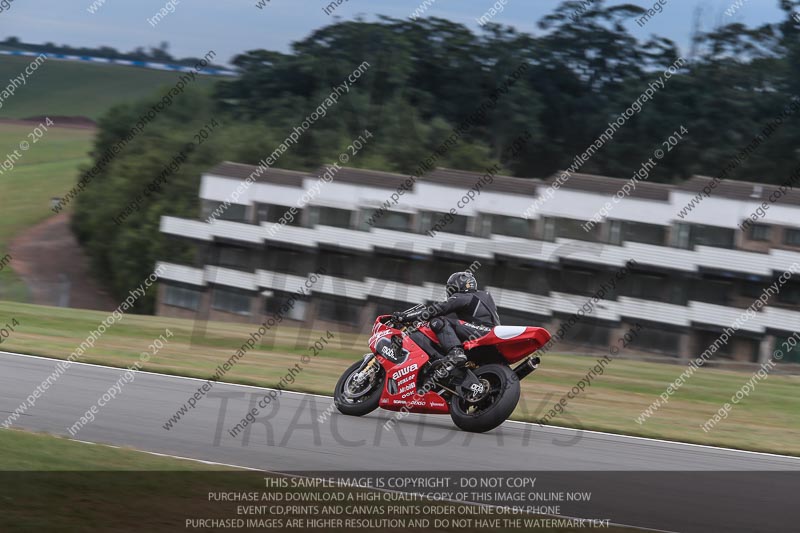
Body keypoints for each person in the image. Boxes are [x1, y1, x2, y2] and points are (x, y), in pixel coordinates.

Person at [392, 271, 500, 370]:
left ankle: (455, 352)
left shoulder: (465, 296)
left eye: (452, 288)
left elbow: (438, 309)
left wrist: (405, 317)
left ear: (459, 286)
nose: (450, 292)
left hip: (480, 333)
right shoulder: (483, 297)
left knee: (439, 320)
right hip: (489, 337)